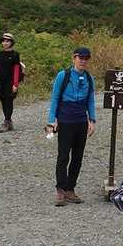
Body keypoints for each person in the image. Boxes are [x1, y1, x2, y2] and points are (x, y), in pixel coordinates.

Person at [47, 47, 96, 205]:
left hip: (81, 121)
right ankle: (61, 190)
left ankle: (70, 189)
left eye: (86, 58)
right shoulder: (63, 75)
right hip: (65, 119)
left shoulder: (89, 78)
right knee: (63, 156)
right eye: (80, 58)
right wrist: (51, 120)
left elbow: (91, 100)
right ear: (74, 58)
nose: (83, 61)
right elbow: (55, 98)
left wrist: (92, 120)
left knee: (77, 157)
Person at [0, 32, 25, 132]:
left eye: (7, 41)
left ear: (11, 42)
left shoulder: (15, 55)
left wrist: (15, 84)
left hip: (10, 82)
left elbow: (16, 69)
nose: (5, 43)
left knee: (9, 100)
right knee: (3, 100)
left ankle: (6, 122)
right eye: (3, 41)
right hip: (0, 81)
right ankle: (9, 122)